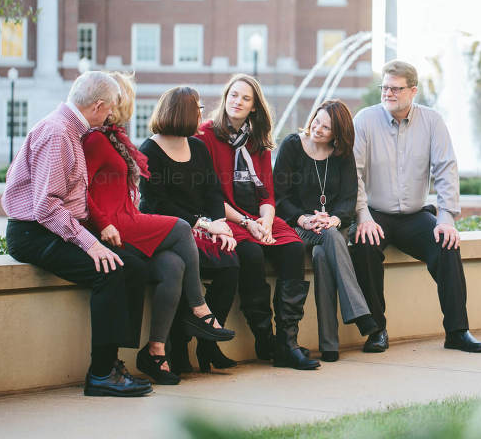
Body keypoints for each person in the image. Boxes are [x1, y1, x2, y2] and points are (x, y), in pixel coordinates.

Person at [2, 71, 152, 397]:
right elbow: (46, 207)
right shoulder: (57, 133)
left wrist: (98, 231)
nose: (112, 114)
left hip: (57, 228)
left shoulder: (73, 131)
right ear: (98, 106)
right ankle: (100, 375)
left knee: (136, 265)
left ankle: (113, 361)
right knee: (109, 269)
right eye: (110, 108)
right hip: (34, 233)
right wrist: (90, 244)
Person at [82, 72, 234, 386]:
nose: (125, 103)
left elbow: (213, 191)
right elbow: (82, 190)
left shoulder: (115, 138)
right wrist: (103, 223)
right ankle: (198, 307)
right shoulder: (97, 140)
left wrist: (221, 223)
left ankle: (155, 351)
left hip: (127, 220)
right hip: (119, 224)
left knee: (174, 265)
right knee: (180, 228)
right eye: (124, 97)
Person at [350, 60, 481, 354]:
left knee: (447, 244)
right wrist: (362, 216)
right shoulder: (364, 120)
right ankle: (376, 331)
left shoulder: (432, 121)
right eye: (384, 87)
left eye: (395, 89)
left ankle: (457, 331)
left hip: (414, 216)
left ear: (413, 91)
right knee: (363, 245)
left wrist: (446, 218)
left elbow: (446, 169)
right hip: (375, 215)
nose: (388, 93)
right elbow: (354, 173)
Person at [196, 73, 320, 370]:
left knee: (292, 247)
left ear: (254, 107)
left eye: (246, 98)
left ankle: (287, 342)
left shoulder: (258, 140)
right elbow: (209, 193)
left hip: (257, 216)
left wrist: (265, 220)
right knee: (250, 253)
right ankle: (265, 339)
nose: (238, 101)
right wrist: (247, 222)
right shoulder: (205, 136)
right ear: (226, 98)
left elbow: (267, 191)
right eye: (234, 95)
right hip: (226, 216)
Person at [138, 86, 239, 373]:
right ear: (183, 112)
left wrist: (219, 226)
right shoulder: (149, 151)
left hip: (202, 228)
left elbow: (212, 192)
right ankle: (179, 346)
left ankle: (207, 340)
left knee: (230, 262)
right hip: (167, 233)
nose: (201, 114)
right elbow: (157, 204)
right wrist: (201, 223)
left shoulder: (197, 147)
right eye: (198, 109)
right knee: (180, 265)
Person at [273, 99, 379, 362]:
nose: (318, 128)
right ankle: (361, 315)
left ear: (338, 134)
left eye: (327, 127)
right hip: (298, 226)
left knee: (323, 254)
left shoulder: (342, 155)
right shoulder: (292, 146)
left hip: (331, 226)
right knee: (329, 238)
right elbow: (279, 196)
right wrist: (301, 218)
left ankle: (329, 345)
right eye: (316, 121)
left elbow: (347, 198)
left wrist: (334, 219)